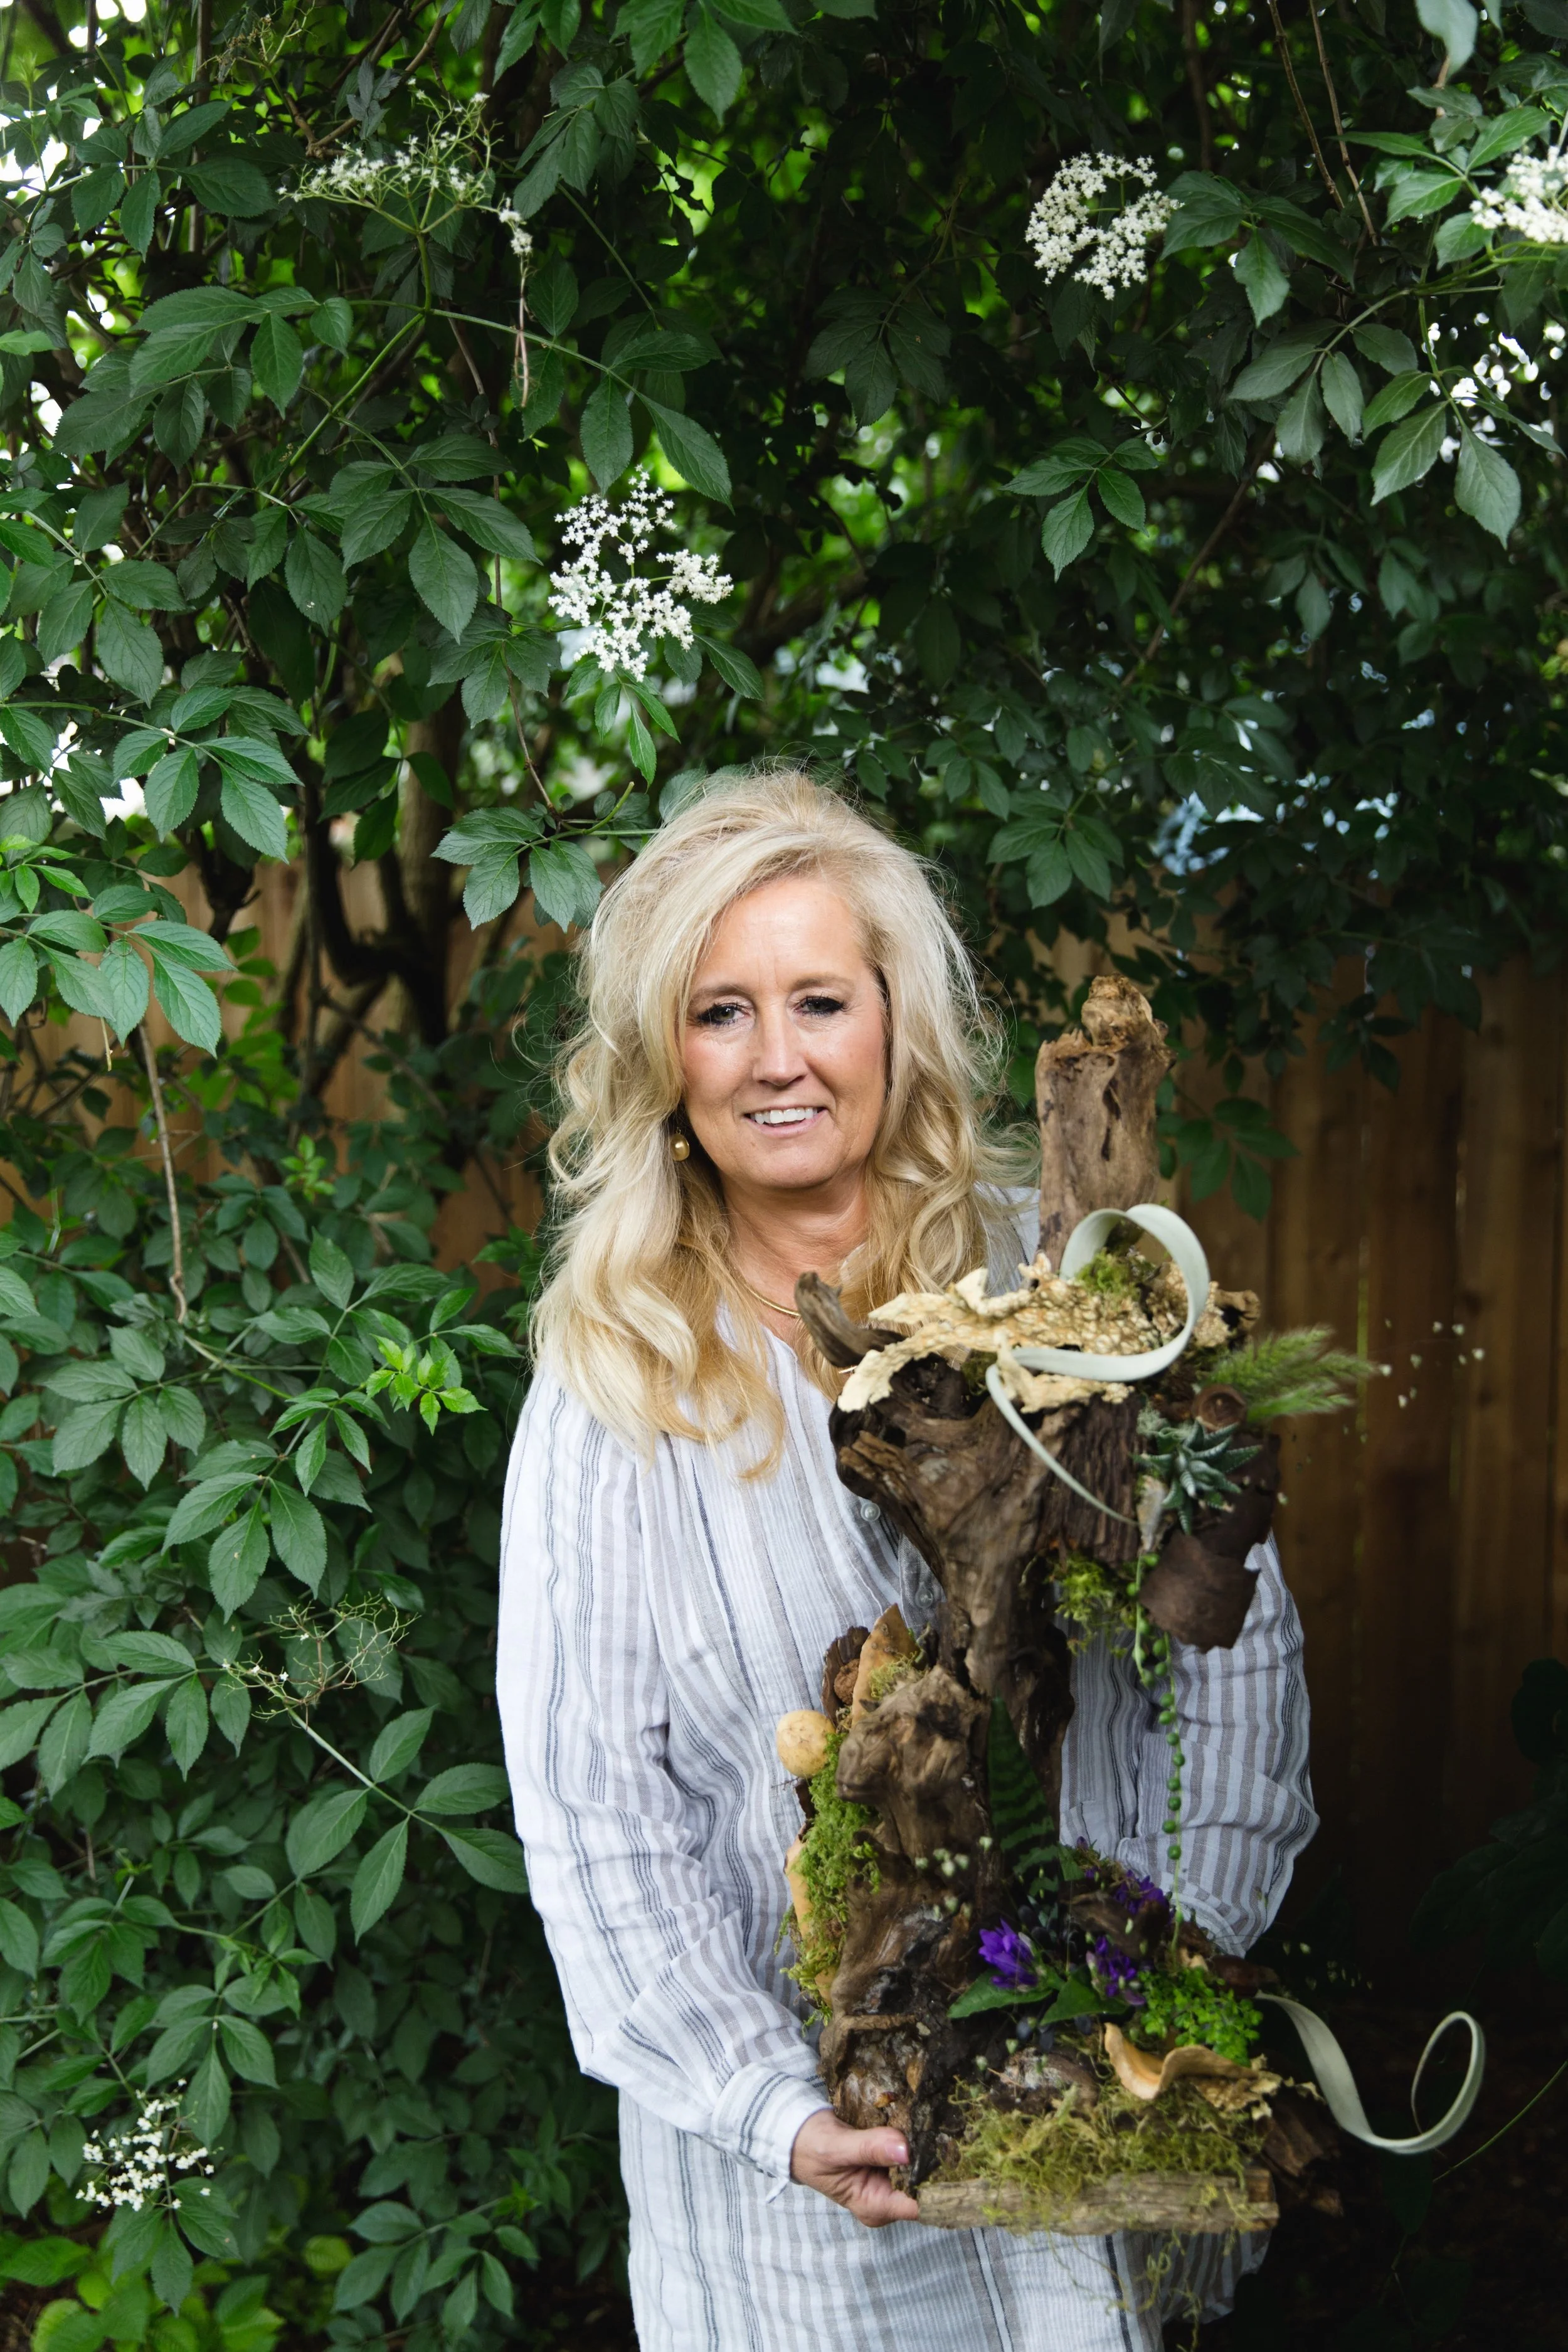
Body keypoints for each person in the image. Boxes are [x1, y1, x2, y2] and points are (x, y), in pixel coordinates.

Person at [496, 771, 1316, 2351]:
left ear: (895, 1018)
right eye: (721, 1012)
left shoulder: (1063, 1278)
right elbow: (593, 1801)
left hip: (1098, 2151)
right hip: (803, 2205)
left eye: (819, 998)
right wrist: (759, 2101)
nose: (779, 1057)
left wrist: (1170, 1964)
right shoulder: (617, 1378)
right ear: (663, 1062)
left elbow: (1241, 1647)